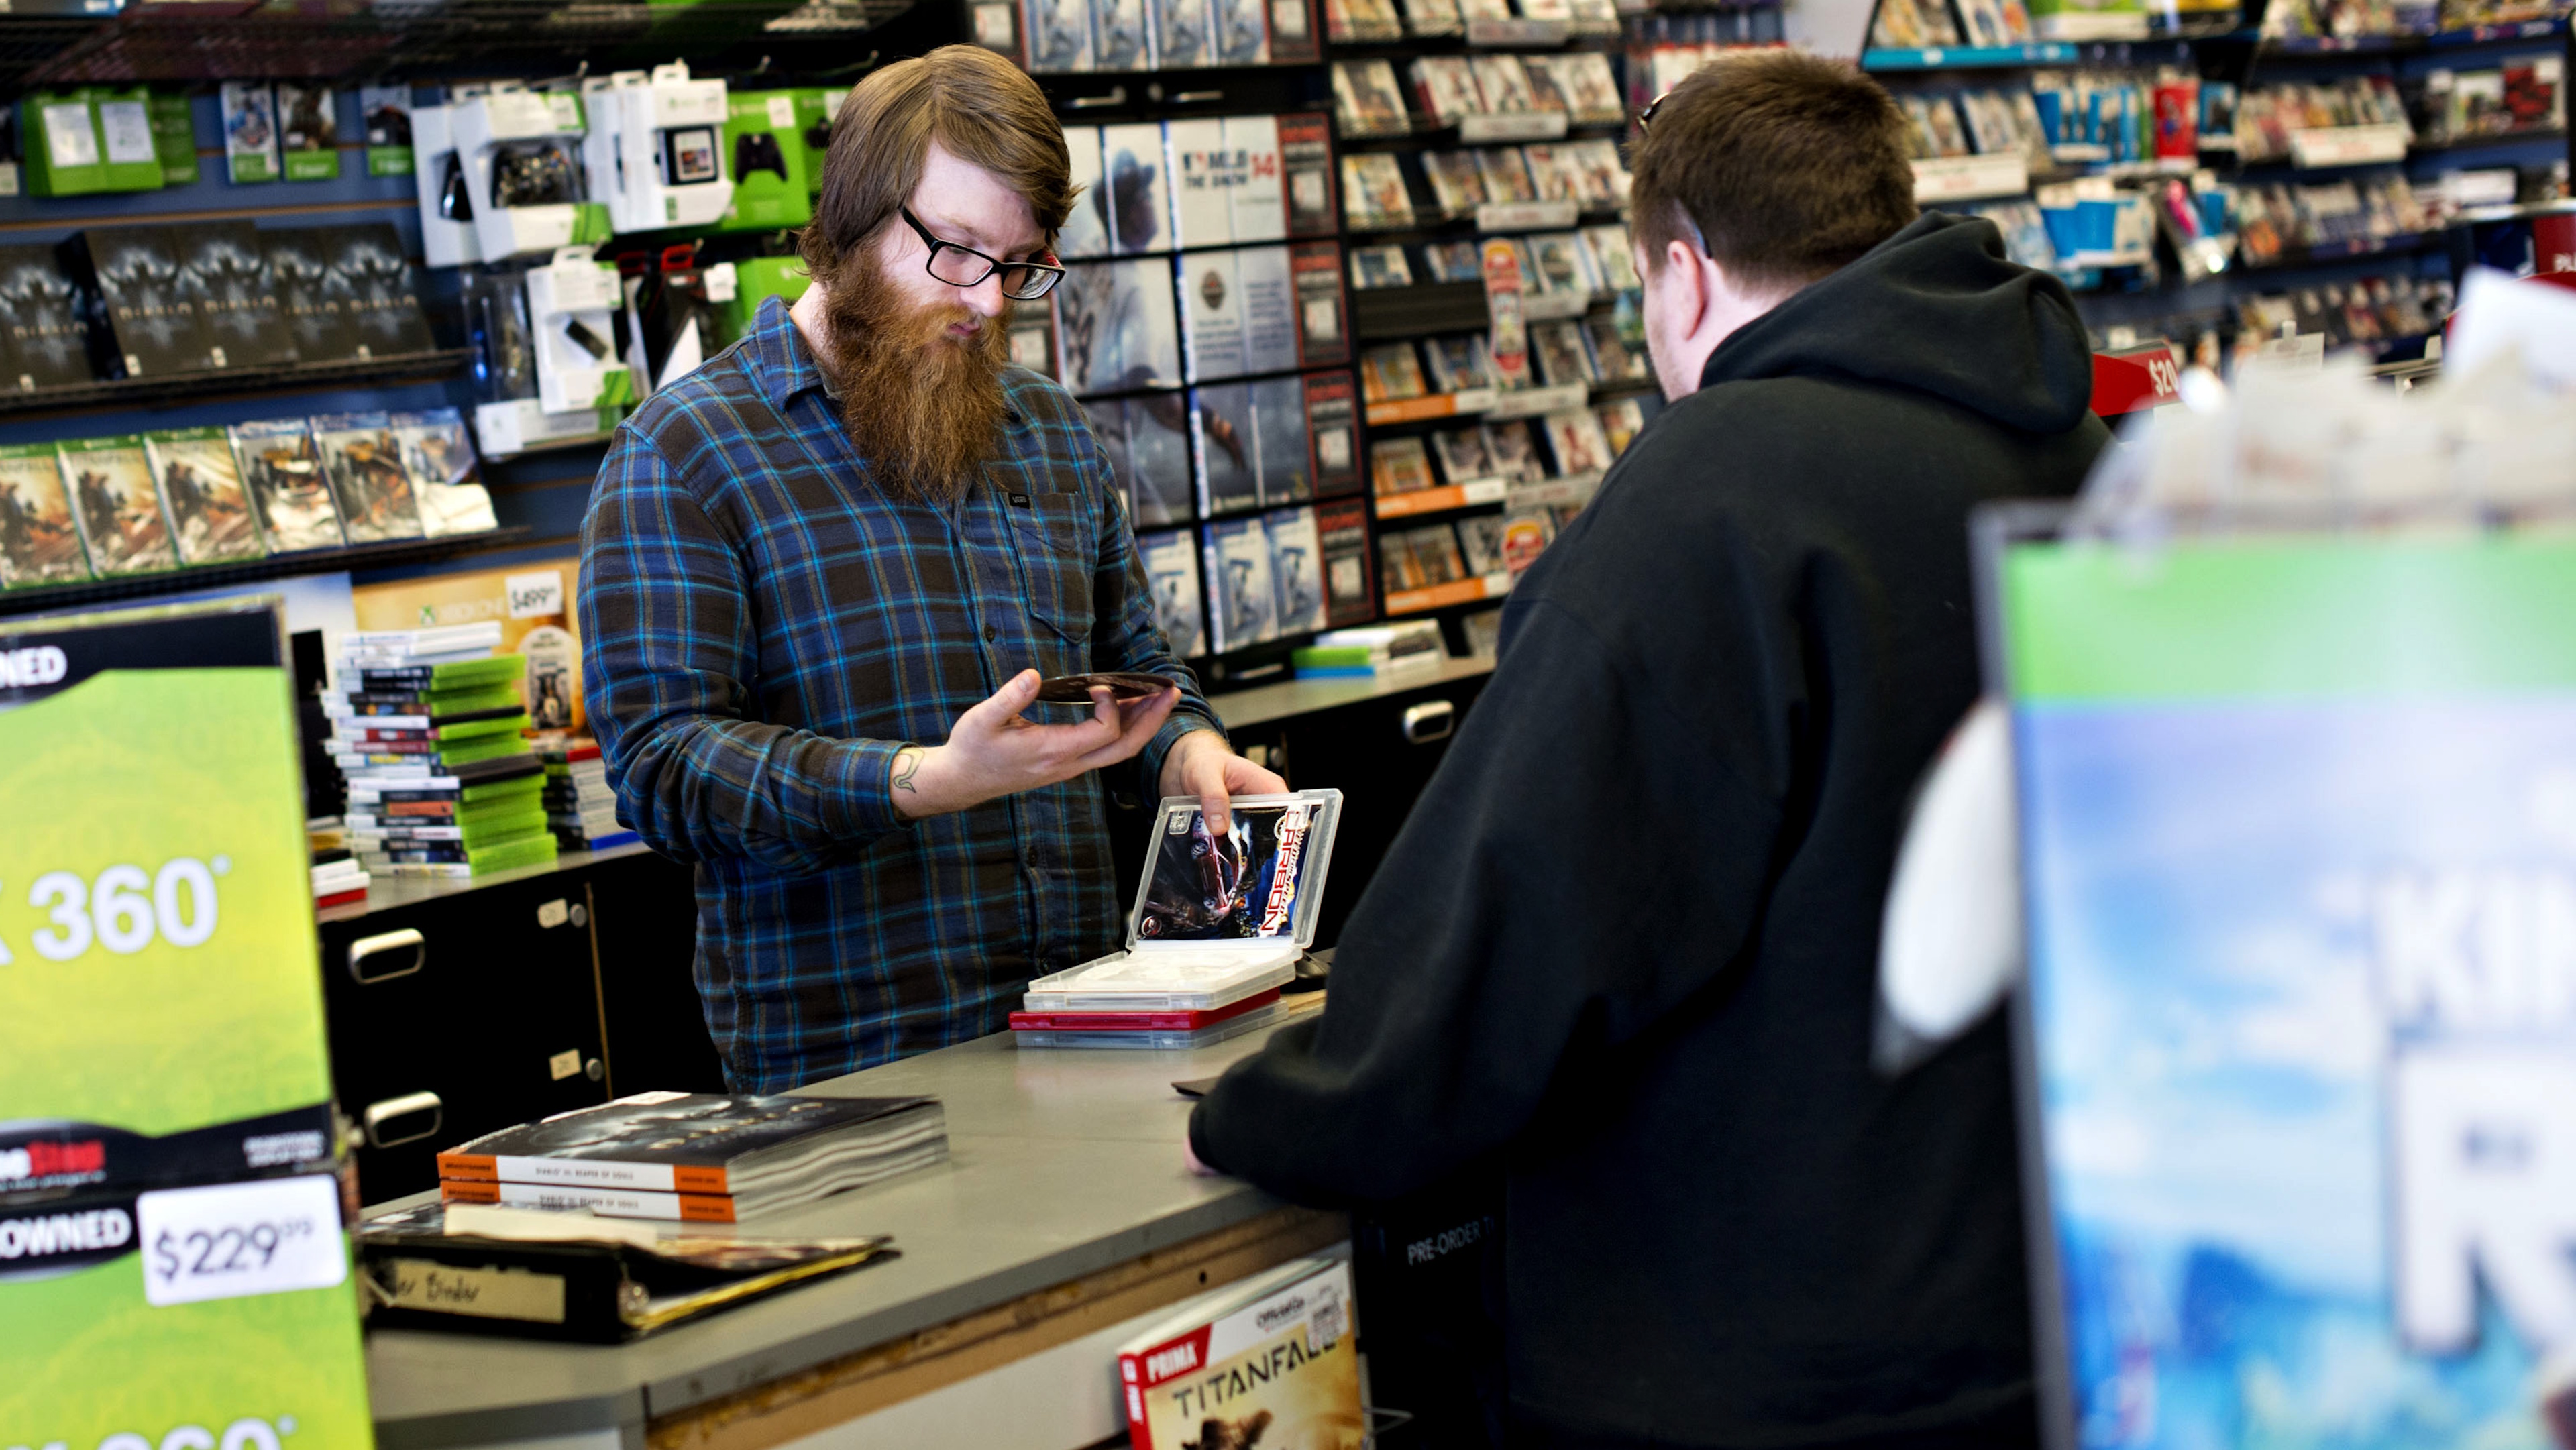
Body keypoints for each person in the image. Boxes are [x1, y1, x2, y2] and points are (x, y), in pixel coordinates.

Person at [1186, 51, 2112, 1448]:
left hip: (1751, 1365)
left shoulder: (1713, 495)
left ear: (1680, 276)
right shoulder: (2071, 452)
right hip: (2030, 1326)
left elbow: (1516, 924)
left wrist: (1284, 1106)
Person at [579, 46, 1281, 1095]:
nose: (991, 303)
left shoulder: (1045, 427)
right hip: (854, 1085)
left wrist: (1185, 755)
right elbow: (663, 769)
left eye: (1021, 265)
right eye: (956, 251)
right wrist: (923, 782)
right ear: (857, 217)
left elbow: (1132, 664)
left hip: (1091, 1029)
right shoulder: (684, 454)